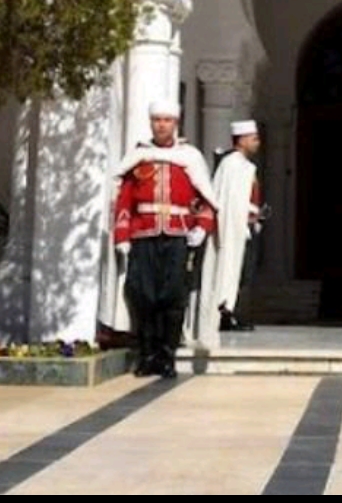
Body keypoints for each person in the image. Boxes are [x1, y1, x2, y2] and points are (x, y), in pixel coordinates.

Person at [113, 99, 219, 378]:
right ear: (151, 123)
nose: (162, 125)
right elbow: (123, 200)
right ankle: (147, 353)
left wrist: (202, 226)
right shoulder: (138, 157)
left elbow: (205, 197)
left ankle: (167, 354)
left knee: (172, 295)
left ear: (176, 123)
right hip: (143, 233)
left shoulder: (190, 157)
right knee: (142, 293)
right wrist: (122, 234)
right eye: (157, 120)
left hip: (177, 235)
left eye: (167, 120)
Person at [197, 119, 266, 348]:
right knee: (228, 269)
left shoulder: (244, 166)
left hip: (243, 227)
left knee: (241, 272)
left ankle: (229, 310)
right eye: (254, 138)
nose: (257, 143)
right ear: (243, 139)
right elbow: (228, 200)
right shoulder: (231, 165)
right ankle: (223, 312)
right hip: (231, 228)